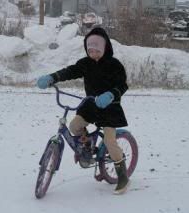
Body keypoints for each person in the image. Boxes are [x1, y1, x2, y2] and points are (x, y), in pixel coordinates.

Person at [37, 27, 129, 195]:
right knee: (74, 126)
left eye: (97, 50)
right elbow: (70, 71)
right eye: (90, 50)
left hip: (110, 107)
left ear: (105, 48)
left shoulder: (114, 65)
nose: (93, 53)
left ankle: (123, 175)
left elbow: (122, 85)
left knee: (110, 141)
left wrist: (110, 95)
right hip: (91, 105)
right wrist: (53, 77)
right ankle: (86, 146)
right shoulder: (85, 64)